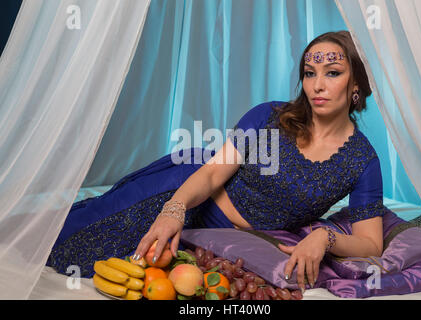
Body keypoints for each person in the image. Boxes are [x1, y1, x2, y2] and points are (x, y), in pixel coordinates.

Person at [47, 30, 388, 293]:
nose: (317, 85)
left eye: (332, 73)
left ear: (356, 83)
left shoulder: (362, 161)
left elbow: (371, 244)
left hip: (224, 236)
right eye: (310, 73)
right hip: (184, 193)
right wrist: (173, 208)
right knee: (66, 241)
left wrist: (326, 237)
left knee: (143, 274)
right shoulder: (270, 117)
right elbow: (211, 174)